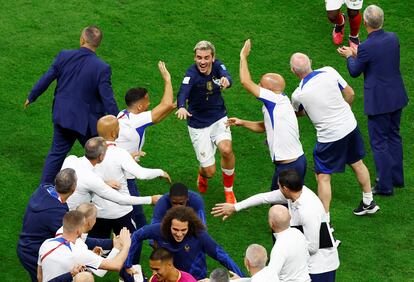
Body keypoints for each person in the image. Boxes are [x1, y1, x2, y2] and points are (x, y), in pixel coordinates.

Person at [24, 25, 119, 184]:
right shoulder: (102, 68)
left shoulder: (64, 56)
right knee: (99, 155)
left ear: (82, 39)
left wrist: (32, 96)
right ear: (98, 44)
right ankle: (106, 187)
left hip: (64, 116)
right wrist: (117, 120)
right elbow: (107, 98)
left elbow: (47, 78)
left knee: (56, 153)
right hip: (87, 123)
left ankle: (44, 189)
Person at [289, 52, 379, 218]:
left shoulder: (298, 94)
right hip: (350, 126)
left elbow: (298, 112)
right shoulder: (329, 71)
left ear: (293, 71)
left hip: (329, 137)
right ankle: (369, 201)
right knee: (357, 163)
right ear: (311, 61)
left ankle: (325, 221)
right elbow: (350, 94)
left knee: (323, 176)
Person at [212, 169, 339, 281]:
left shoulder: (308, 210)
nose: (277, 189)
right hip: (307, 264)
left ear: (285, 188)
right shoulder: (295, 193)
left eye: (278, 186)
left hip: (321, 266)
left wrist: (289, 252)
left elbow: (313, 247)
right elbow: (264, 198)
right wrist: (235, 207)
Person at [337, 5, 408, 196]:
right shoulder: (393, 38)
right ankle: (397, 178)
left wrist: (350, 56)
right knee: (394, 135)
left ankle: (385, 186)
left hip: (379, 101)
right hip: (396, 95)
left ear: (365, 23)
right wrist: (359, 53)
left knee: (379, 142)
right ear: (382, 21)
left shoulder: (366, 47)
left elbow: (354, 71)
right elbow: (378, 57)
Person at [229, 39, 306, 189]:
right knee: (289, 205)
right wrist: (242, 122)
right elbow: (264, 127)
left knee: (277, 209)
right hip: (296, 162)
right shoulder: (279, 102)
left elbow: (245, 82)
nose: (258, 86)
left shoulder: (274, 100)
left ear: (269, 91)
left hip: (288, 166)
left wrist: (243, 56)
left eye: (261, 85)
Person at [176, 40, 236, 204]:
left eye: (206, 57)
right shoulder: (191, 74)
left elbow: (227, 76)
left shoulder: (218, 66)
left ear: (212, 57)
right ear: (195, 58)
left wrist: (227, 81)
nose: (202, 61)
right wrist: (181, 106)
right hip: (198, 124)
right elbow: (183, 92)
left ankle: (229, 191)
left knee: (226, 149)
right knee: (209, 171)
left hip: (218, 117)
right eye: (199, 57)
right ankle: (202, 174)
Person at [116, 61, 175, 226]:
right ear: (140, 106)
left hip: (116, 169)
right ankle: (137, 242)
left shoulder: (124, 115)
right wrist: (167, 79)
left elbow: (157, 117)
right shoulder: (136, 120)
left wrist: (174, 107)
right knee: (137, 217)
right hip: (124, 176)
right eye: (148, 102)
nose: (150, 104)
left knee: (129, 215)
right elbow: (165, 104)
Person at [91, 115, 167, 240]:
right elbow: (142, 174)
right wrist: (160, 172)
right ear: (114, 133)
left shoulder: (90, 151)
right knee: (130, 245)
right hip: (121, 211)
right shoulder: (120, 153)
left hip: (99, 211)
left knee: (98, 249)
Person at [124, 206, 244, 281]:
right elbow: (136, 236)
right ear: (168, 225)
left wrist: (244, 279)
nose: (179, 234)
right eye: (175, 229)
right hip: (168, 277)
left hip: (194, 279)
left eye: (183, 230)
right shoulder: (158, 230)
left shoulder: (199, 235)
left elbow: (222, 256)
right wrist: (128, 263)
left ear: (189, 227)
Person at [61, 137, 154, 210]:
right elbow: (120, 199)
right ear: (101, 157)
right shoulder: (92, 179)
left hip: (57, 205)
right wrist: (150, 199)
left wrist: (104, 183)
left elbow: (81, 179)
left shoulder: (70, 159)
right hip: (73, 217)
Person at [17, 168, 77, 281]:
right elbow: (71, 236)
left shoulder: (42, 190)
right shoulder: (57, 213)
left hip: (26, 249)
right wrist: (111, 243)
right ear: (73, 189)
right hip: (33, 254)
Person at [37, 211, 131, 282]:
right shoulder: (79, 253)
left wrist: (91, 256)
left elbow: (39, 277)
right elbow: (116, 265)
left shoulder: (46, 244)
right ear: (78, 231)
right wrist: (126, 244)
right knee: (86, 277)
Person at [54, 203, 123, 280]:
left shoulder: (63, 229)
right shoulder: (80, 246)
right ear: (90, 222)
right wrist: (116, 248)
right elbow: (100, 272)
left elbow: (78, 258)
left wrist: (91, 255)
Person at [255, 205, 310, 282]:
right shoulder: (298, 233)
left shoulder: (279, 248)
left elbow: (270, 277)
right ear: (290, 218)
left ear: (271, 224)